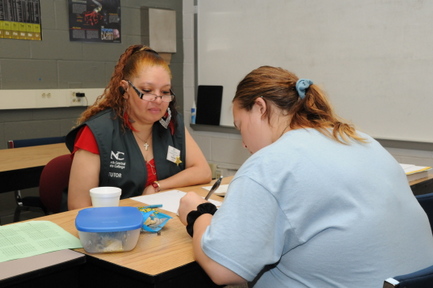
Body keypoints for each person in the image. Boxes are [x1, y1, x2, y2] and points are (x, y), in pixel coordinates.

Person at [178, 65, 433, 287]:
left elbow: (222, 270)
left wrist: (198, 214)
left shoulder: (269, 164)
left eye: (240, 126)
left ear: (259, 108)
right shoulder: (359, 139)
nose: (243, 143)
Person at [65, 44, 211, 210]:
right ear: (125, 89)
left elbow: (203, 171)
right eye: (147, 90)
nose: (158, 99)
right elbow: (78, 207)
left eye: (165, 92)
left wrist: (157, 186)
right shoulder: (97, 132)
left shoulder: (171, 122)